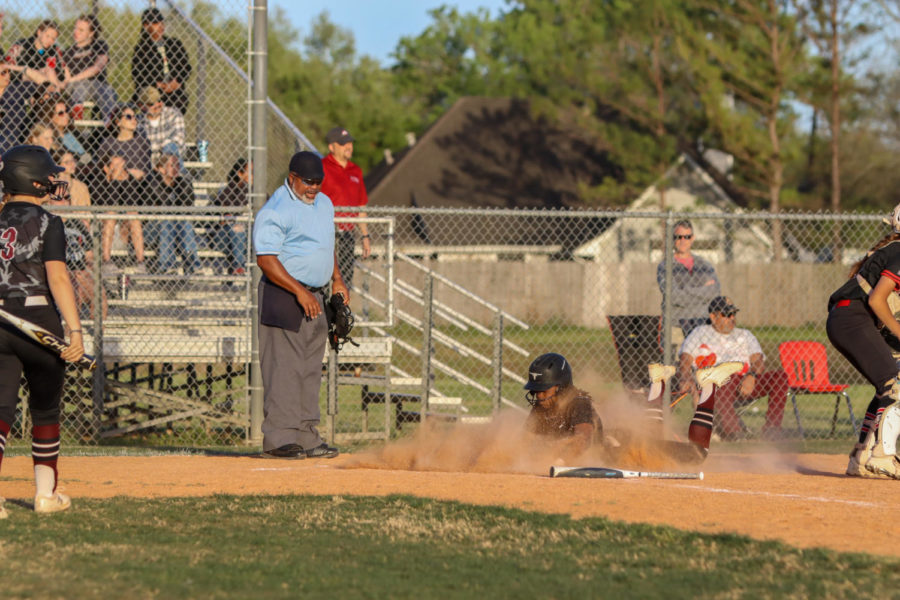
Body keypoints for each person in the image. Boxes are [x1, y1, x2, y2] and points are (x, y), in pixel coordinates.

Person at [0, 144, 85, 516]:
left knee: (0, 411)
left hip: (1, 322)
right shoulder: (50, 222)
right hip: (40, 323)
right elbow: (59, 278)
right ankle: (45, 495)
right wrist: (76, 331)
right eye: (48, 175)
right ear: (31, 179)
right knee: (46, 411)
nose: (53, 180)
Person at [252, 151, 346, 459]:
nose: (314, 187)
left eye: (318, 182)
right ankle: (279, 439)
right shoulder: (276, 209)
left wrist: (337, 279)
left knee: (309, 369)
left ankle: (306, 436)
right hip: (284, 294)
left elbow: (325, 245)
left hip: (315, 296)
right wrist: (299, 292)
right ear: (292, 177)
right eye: (308, 181)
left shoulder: (324, 204)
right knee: (284, 369)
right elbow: (266, 259)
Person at [826, 203, 900, 479]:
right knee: (895, 381)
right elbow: (876, 300)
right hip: (853, 318)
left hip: (847, 318)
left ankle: (861, 457)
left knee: (888, 383)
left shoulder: (892, 249)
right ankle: (881, 455)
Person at [676, 296, 789, 442]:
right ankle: (735, 432)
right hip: (717, 381)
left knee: (780, 377)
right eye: (726, 314)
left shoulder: (745, 335)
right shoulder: (700, 333)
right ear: (713, 316)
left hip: (746, 382)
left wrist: (752, 376)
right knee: (725, 380)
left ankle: (772, 430)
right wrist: (686, 378)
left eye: (733, 314)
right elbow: (685, 359)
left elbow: (758, 361)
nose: (732, 318)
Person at [523, 352, 602, 461]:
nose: (539, 396)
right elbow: (526, 440)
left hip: (598, 458)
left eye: (545, 391)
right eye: (536, 391)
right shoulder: (541, 406)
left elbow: (583, 439)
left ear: (561, 387)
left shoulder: (579, 403)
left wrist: (560, 457)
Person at [320, 127, 371, 289]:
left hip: (347, 234)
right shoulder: (322, 166)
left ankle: (340, 313)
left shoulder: (356, 170)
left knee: (345, 281)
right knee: (324, 279)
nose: (348, 147)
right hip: (327, 232)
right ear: (331, 147)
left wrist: (365, 235)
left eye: (350, 143)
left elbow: (360, 205)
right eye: (343, 144)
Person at [657, 220, 721, 337]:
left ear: (692, 238)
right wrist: (702, 290)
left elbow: (715, 292)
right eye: (679, 237)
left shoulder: (704, 264)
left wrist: (684, 290)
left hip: (703, 325)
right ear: (672, 238)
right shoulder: (665, 266)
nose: (683, 241)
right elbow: (673, 296)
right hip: (676, 327)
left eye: (687, 236)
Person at [131, 8, 192, 115]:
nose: (160, 26)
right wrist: (159, 85)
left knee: (180, 99)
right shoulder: (141, 48)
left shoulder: (174, 44)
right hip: (153, 89)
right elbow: (138, 74)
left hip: (173, 89)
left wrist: (176, 82)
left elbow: (186, 67)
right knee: (151, 96)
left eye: (162, 22)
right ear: (146, 26)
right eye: (155, 23)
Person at [145, 153, 199, 275]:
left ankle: (194, 265)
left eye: (178, 165)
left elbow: (188, 206)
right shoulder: (153, 183)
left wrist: (183, 185)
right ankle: (167, 266)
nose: (176, 168)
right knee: (167, 221)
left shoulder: (183, 184)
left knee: (185, 223)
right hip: (152, 229)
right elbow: (163, 207)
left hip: (177, 228)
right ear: (161, 169)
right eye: (171, 165)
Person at [93, 153, 146, 275]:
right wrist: (114, 180)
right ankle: (106, 260)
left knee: (134, 217)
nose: (120, 169)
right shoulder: (100, 181)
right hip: (107, 228)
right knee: (111, 215)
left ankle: (141, 262)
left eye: (121, 165)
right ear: (107, 168)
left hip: (124, 230)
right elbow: (109, 202)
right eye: (115, 166)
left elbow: (132, 204)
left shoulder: (130, 179)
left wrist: (126, 179)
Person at [60, 14, 118, 121]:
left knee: (108, 91)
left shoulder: (99, 45)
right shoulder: (68, 51)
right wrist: (70, 80)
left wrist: (73, 79)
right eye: (75, 28)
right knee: (81, 85)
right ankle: (76, 112)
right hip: (75, 87)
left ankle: (109, 121)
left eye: (81, 30)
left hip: (97, 84)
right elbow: (66, 74)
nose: (76, 32)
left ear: (91, 33)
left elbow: (97, 67)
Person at [213, 157, 250, 275]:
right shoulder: (228, 191)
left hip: (251, 236)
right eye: (250, 172)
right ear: (240, 174)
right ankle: (238, 267)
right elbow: (228, 216)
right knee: (237, 227)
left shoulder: (260, 193)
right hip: (224, 237)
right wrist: (244, 186)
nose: (255, 175)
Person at [96, 105, 152, 180]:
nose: (134, 119)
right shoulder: (108, 142)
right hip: (112, 182)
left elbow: (142, 172)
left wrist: (121, 172)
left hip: (136, 184)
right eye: (129, 117)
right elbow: (103, 168)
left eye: (135, 116)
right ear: (118, 122)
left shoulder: (142, 142)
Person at [136, 85, 185, 167]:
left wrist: (155, 148)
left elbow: (178, 140)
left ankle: (175, 177)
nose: (157, 105)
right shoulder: (138, 121)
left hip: (169, 160)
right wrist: (161, 146)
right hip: (148, 163)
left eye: (159, 100)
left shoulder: (173, 114)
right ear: (141, 106)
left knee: (171, 147)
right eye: (151, 103)